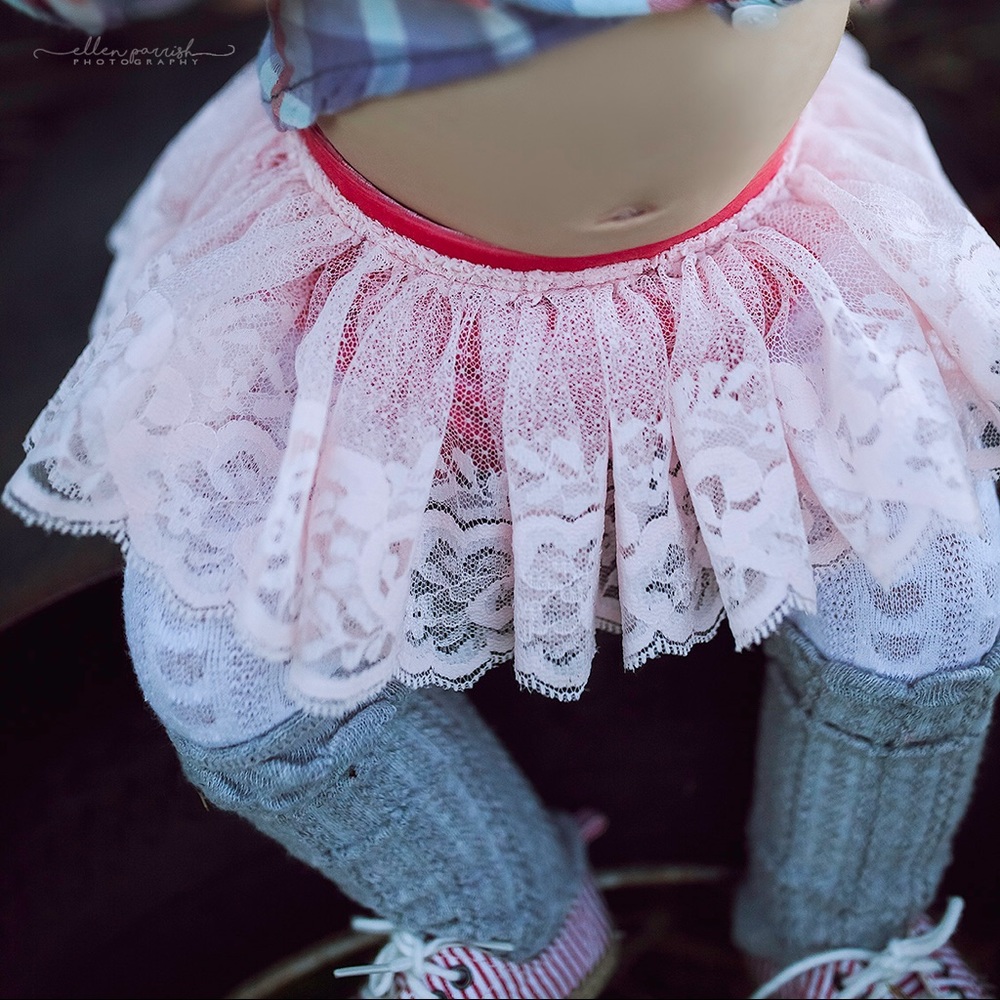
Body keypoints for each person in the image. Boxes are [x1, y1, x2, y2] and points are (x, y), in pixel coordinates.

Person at [4, 1, 999, 996]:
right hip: (403, 308)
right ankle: (505, 916)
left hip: (755, 270)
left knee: (929, 602)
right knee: (230, 674)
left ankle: (840, 929)